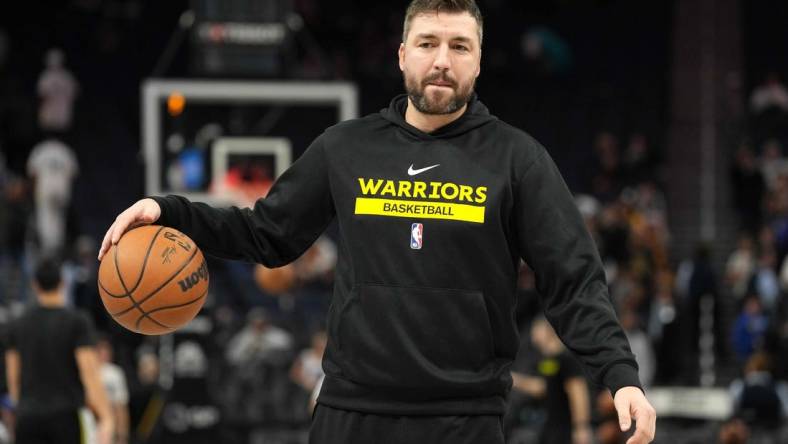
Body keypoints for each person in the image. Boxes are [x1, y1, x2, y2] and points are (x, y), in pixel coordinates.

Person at [98, 1, 656, 443]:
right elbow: (267, 234)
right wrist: (171, 211)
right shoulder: (346, 147)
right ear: (402, 55)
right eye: (428, 43)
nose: (442, 59)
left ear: (479, 61)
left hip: (464, 418)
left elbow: (573, 280)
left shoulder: (518, 160)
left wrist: (620, 373)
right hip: (351, 412)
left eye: (460, 46)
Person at [4, 258, 113, 444]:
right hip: (65, 416)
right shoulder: (77, 321)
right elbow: (90, 373)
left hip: (28, 416)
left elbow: (13, 376)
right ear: (62, 283)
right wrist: (106, 417)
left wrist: (21, 407)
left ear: (35, 285)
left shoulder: (17, 324)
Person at [510, 317, 592, 444]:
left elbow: (577, 392)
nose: (533, 334)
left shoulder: (566, 358)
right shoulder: (547, 360)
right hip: (551, 426)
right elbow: (542, 387)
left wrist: (581, 427)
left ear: (547, 330)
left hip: (566, 427)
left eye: (537, 329)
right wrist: (514, 380)